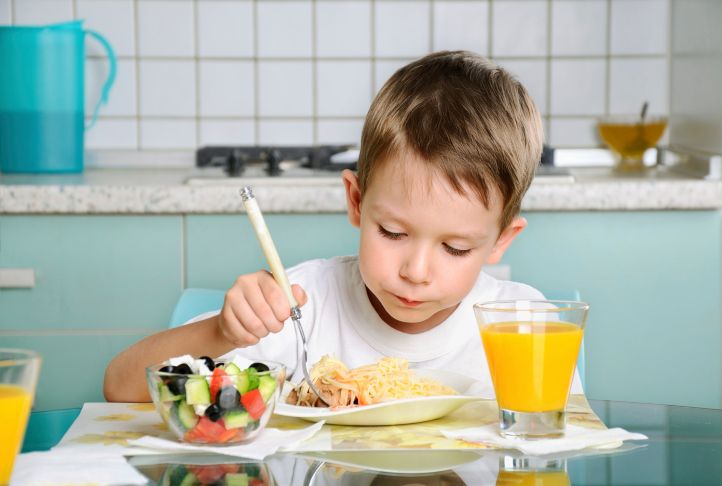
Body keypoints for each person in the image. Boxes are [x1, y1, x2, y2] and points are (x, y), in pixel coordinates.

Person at [104, 50, 582, 402]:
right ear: (356, 201)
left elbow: (560, 442)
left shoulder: (524, 327)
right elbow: (120, 388)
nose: (416, 271)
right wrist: (223, 333)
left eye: (455, 248)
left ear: (501, 240)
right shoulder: (302, 309)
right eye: (393, 233)